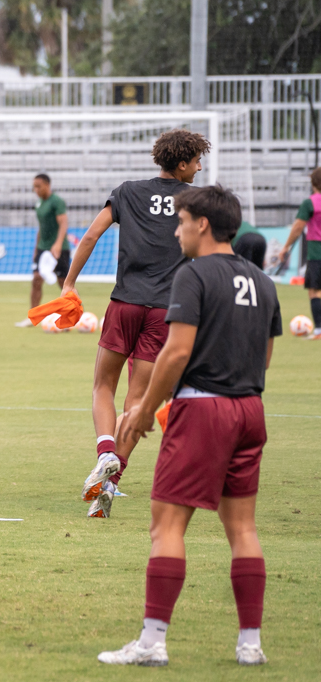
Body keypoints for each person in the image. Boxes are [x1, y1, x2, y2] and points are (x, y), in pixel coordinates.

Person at [101, 185, 279, 668]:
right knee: (242, 528)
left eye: (181, 222)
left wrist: (141, 411)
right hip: (250, 409)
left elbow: (176, 352)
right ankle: (250, 645)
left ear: (202, 224)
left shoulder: (193, 275)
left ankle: (152, 643)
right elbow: (264, 354)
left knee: (167, 526)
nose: (176, 230)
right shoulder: (262, 282)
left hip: (203, 411)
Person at [62, 129, 209, 517]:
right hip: (165, 311)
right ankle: (111, 481)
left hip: (125, 303)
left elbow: (92, 235)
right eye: (196, 161)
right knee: (139, 397)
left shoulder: (127, 191)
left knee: (102, 384)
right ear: (181, 163)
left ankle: (105, 453)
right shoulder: (194, 201)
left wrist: (69, 282)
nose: (199, 167)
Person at [17, 173, 69, 326]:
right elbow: (42, 227)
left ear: (47, 185)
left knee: (64, 282)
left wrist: (58, 243)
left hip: (59, 248)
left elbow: (63, 223)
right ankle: (33, 316)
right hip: (42, 247)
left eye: (38, 186)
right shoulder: (39, 204)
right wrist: (36, 247)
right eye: (34, 186)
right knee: (36, 279)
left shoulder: (57, 201)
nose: (36, 189)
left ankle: (74, 314)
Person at [276, 167, 321, 338]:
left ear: (313, 183)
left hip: (317, 251)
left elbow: (298, 227)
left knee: (315, 291)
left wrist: (286, 247)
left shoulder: (310, 203)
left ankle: (319, 330)